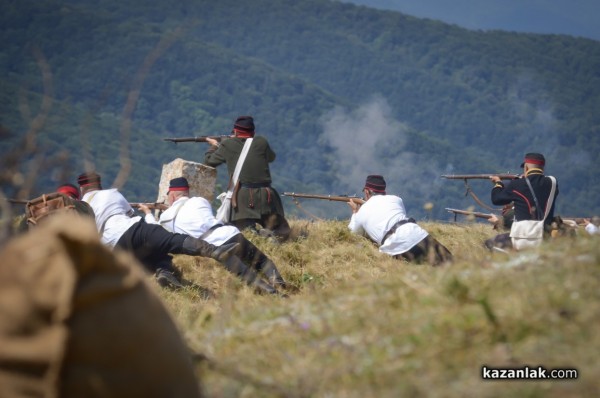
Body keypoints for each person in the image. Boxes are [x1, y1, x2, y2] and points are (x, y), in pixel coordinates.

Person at [77, 172, 243, 290]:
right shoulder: (111, 193)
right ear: (98, 185)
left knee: (148, 257)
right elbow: (129, 214)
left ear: (82, 189)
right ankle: (215, 252)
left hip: (112, 248)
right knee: (171, 240)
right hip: (131, 228)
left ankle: (165, 275)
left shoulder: (82, 206)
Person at [139, 177, 287, 295]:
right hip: (230, 234)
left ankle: (274, 295)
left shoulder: (166, 218)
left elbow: (154, 229)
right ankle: (281, 285)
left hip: (215, 248)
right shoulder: (199, 201)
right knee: (263, 262)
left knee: (246, 275)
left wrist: (147, 213)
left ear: (171, 195)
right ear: (186, 193)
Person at [204, 115, 291, 242]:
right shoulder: (261, 142)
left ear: (235, 131)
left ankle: (261, 236)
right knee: (281, 230)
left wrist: (215, 146)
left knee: (246, 234)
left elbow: (209, 161)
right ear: (253, 132)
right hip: (267, 195)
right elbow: (271, 157)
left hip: (243, 197)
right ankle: (270, 237)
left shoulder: (227, 144)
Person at [347, 175, 453, 266]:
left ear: (366, 191)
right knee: (451, 264)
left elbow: (353, 233)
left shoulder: (362, 211)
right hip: (418, 235)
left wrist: (355, 212)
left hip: (396, 248)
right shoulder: (396, 199)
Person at [489, 152, 559, 248]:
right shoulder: (553, 183)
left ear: (526, 168)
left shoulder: (516, 185)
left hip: (521, 239)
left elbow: (496, 199)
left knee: (489, 244)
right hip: (545, 238)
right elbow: (536, 188)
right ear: (542, 168)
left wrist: (498, 183)